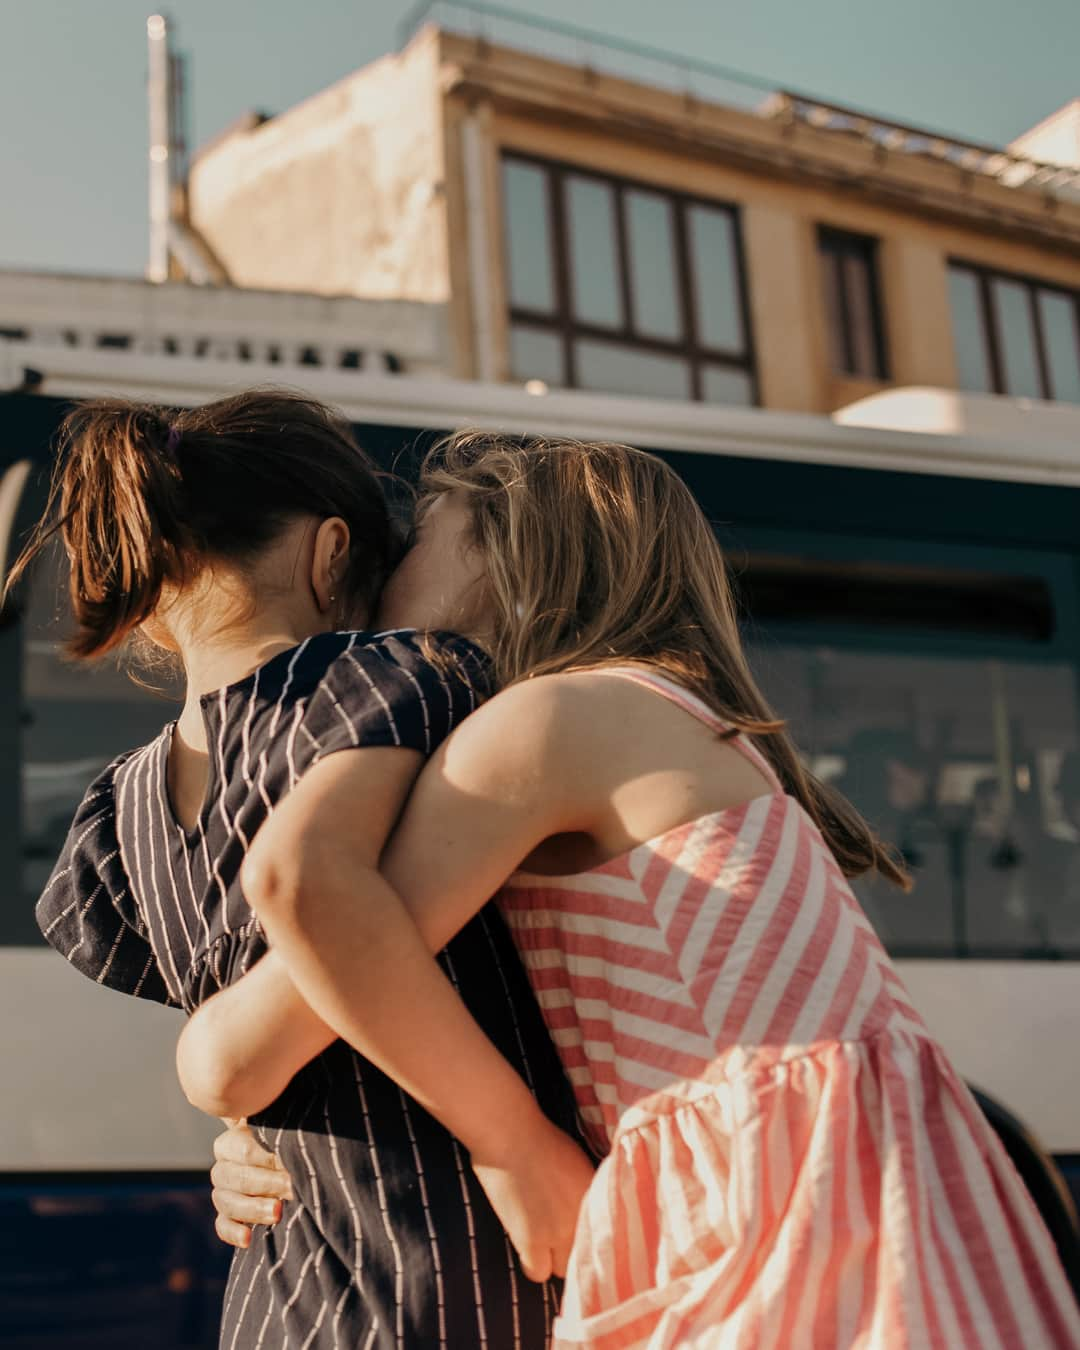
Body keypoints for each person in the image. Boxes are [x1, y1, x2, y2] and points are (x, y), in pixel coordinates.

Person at [195, 434, 1080, 1348]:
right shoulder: (664, 714)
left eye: (423, 536)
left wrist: (229, 1079)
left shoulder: (549, 724)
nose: (390, 565)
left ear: (508, 557)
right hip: (824, 1186)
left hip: (761, 1202)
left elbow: (268, 1020)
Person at [16, 396, 593, 1350]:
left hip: (281, 1298)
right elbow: (316, 897)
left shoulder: (115, 812)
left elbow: (259, 1039)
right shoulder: (396, 678)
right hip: (463, 1272)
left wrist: (236, 1130)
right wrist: (518, 1143)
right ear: (333, 556)